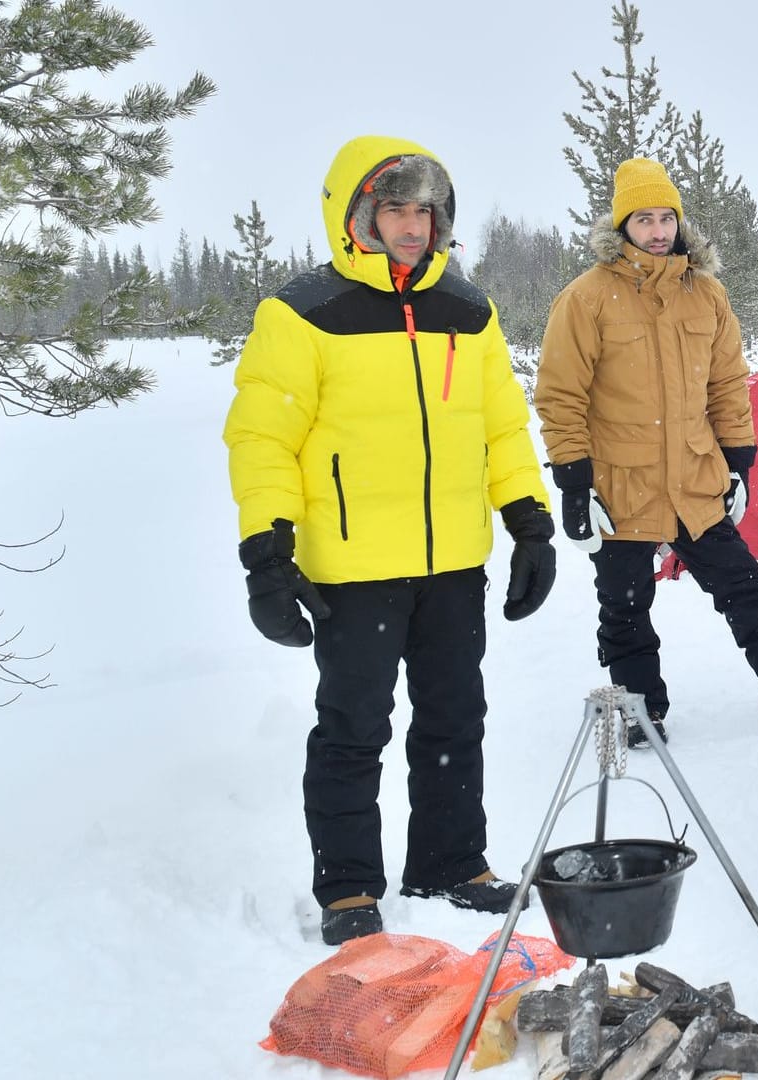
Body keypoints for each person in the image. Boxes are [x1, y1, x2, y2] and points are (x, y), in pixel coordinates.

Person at [223, 135, 557, 945]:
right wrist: (268, 557)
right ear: (356, 217)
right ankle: (347, 891)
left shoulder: (468, 310)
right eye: (395, 210)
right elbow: (262, 439)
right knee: (353, 729)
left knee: (454, 718)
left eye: (425, 210)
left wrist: (529, 523)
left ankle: (451, 864)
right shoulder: (304, 314)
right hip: (353, 567)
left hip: (452, 564)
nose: (413, 226)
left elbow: (501, 427)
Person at [533, 158, 758, 742]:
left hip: (696, 481)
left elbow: (728, 385)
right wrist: (574, 484)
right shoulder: (586, 299)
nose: (657, 230)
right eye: (643, 219)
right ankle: (639, 714)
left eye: (666, 218)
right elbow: (559, 397)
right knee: (625, 610)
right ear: (622, 225)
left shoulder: (706, 295)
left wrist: (738, 464)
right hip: (622, 485)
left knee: (746, 591)